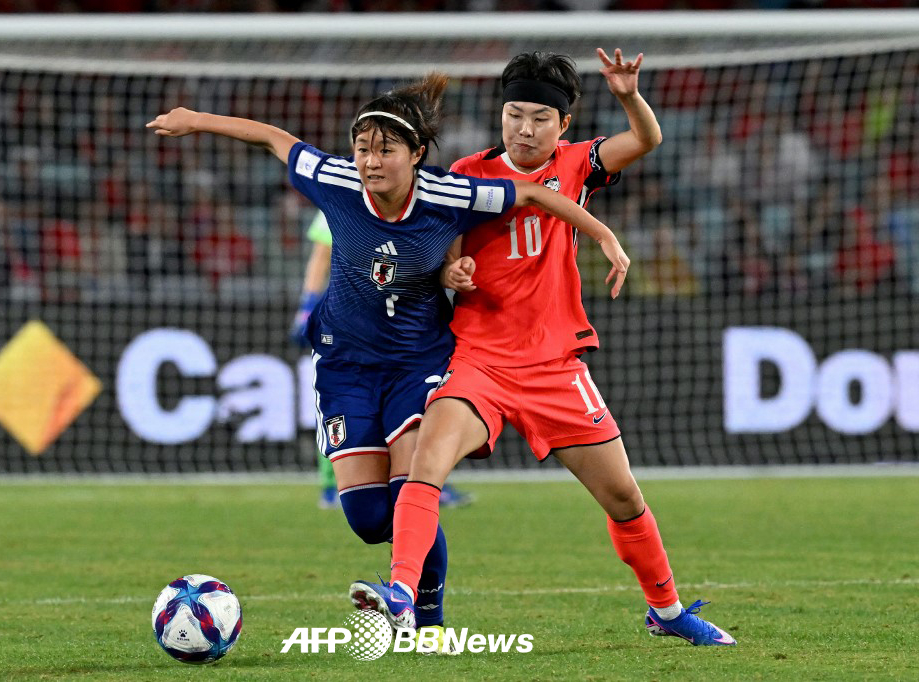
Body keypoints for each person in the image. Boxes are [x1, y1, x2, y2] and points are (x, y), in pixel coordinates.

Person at [147, 73, 629, 647]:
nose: (371, 162)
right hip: (344, 366)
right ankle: (409, 586)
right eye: (363, 148)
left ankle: (425, 620)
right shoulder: (336, 181)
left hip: (417, 363)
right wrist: (196, 120)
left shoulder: (448, 195)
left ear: (416, 154)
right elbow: (275, 138)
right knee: (369, 518)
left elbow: (532, 194)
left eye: (385, 150)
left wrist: (601, 234)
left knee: (412, 489)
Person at [350, 50, 736, 647]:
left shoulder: (580, 164)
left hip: (556, 367)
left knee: (624, 496)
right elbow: (441, 245)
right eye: (513, 115)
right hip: (480, 361)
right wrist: (453, 271)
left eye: (538, 118)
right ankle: (400, 593)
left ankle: (666, 609)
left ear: (564, 125)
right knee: (427, 463)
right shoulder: (465, 173)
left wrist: (630, 94)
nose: (523, 129)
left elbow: (646, 139)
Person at [290, 210, 474, 511]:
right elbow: (321, 256)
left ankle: (429, 481)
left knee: (418, 403)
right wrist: (307, 305)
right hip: (348, 322)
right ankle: (333, 484)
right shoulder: (338, 197)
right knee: (341, 403)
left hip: (401, 321)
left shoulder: (418, 202)